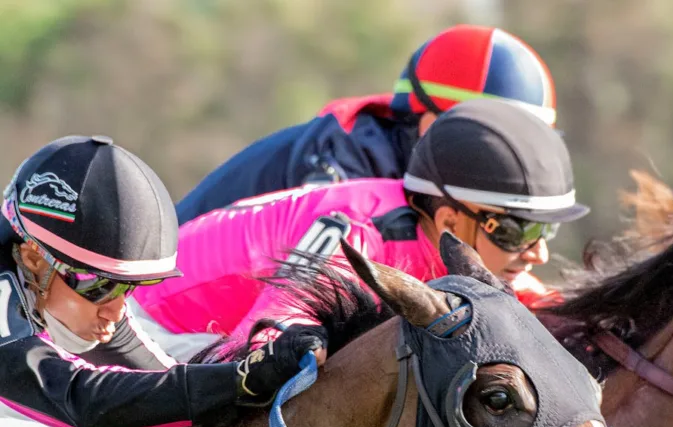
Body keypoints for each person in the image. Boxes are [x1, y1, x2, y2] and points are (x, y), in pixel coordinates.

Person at [132, 99, 587, 361]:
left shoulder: (453, 238)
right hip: (156, 323)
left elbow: (536, 301)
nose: (537, 254)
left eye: (543, 233)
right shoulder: (361, 231)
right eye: (517, 233)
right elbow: (264, 340)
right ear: (450, 220)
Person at [0, 136, 327, 427]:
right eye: (101, 287)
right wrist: (240, 379)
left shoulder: (49, 277)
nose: (115, 311)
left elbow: (163, 384)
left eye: (127, 289)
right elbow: (81, 401)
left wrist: (256, 373)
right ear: (34, 259)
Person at [175, 24, 557, 224]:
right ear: (428, 125)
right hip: (155, 307)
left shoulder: (415, 165)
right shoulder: (345, 163)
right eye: (497, 148)